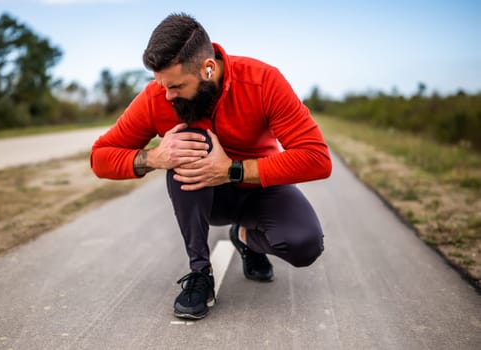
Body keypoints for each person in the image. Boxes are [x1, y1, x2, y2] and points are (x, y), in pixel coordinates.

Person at [90, 13, 332, 320]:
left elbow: (317, 159)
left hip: (261, 189)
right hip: (207, 197)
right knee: (190, 141)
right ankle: (200, 273)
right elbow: (99, 156)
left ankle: (245, 238)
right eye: (161, 84)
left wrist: (232, 169)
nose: (168, 95)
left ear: (208, 68)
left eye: (176, 86)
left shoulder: (263, 80)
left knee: (304, 245)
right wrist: (152, 158)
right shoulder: (157, 97)